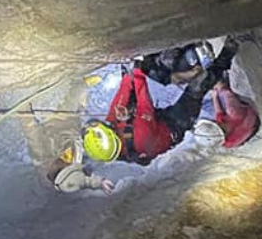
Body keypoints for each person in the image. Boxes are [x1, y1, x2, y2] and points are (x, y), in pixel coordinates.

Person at [83, 38, 239, 165]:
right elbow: (145, 104)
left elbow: (119, 104)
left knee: (143, 72)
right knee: (196, 89)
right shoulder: (141, 139)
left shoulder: (112, 133)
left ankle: (177, 68)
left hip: (148, 125)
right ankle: (228, 52)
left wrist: (127, 77)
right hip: (173, 126)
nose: (108, 123)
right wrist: (137, 71)